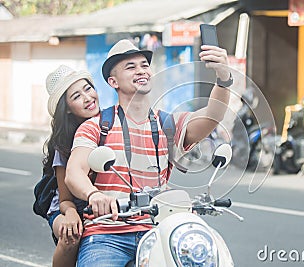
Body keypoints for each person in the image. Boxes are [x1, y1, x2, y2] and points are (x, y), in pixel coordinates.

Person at [65, 39, 233, 266]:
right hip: (108, 234)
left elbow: (214, 114)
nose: (141, 70)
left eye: (144, 65)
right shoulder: (95, 126)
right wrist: (95, 195)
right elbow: (74, 173)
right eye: (131, 67)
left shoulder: (168, 125)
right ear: (113, 81)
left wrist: (224, 78)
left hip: (161, 229)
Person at [43, 65, 100, 267]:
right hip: (67, 208)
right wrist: (72, 214)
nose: (87, 97)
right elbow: (65, 199)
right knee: (71, 235)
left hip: (99, 206)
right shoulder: (64, 143)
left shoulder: (111, 125)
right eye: (76, 96)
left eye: (88, 89)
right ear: (66, 107)